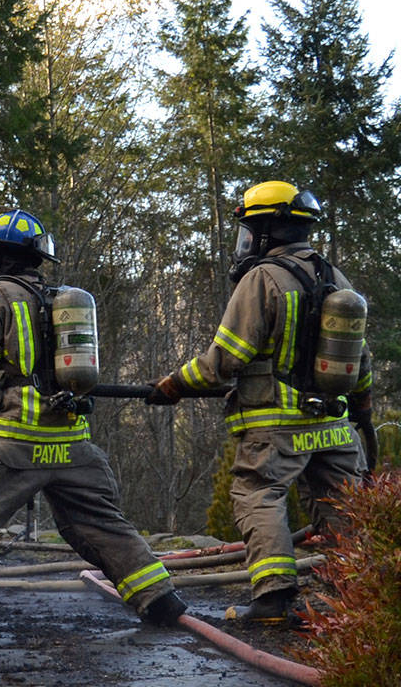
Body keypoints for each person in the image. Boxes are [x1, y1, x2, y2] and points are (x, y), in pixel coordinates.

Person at [0, 206, 186, 639]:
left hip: (12, 443)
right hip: (72, 447)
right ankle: (161, 600)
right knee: (100, 525)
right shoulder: (61, 301)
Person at [149, 181, 374, 623]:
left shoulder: (263, 278)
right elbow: (360, 356)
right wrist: (362, 405)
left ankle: (274, 597)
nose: (245, 242)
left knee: (258, 495)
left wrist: (174, 384)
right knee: (342, 503)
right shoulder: (334, 277)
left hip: (277, 425)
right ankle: (362, 594)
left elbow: (225, 359)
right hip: (334, 424)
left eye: (249, 231)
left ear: (267, 231)